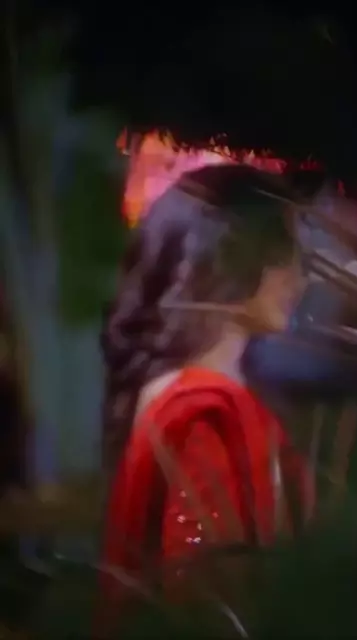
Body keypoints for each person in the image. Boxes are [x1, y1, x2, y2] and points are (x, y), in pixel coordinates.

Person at [97, 164, 311, 632]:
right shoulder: (206, 413)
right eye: (286, 254)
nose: (300, 278)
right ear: (231, 256)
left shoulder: (181, 395)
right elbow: (208, 599)